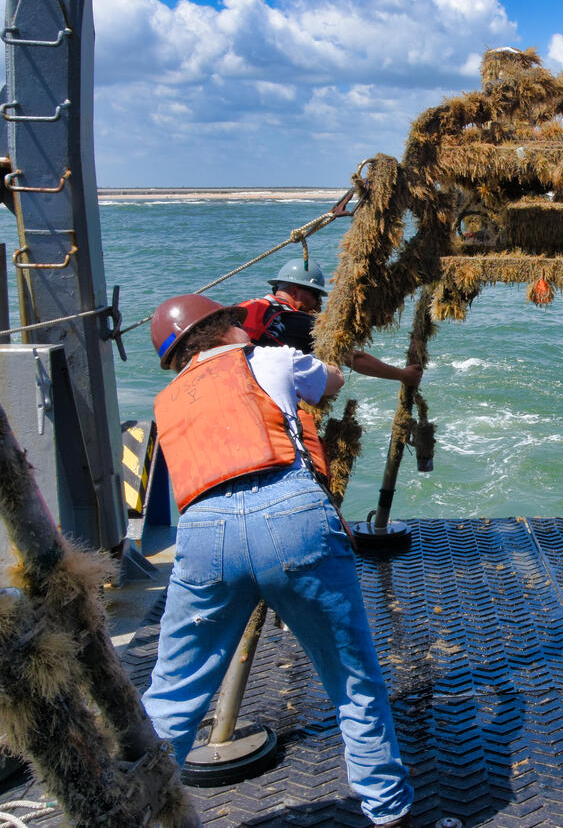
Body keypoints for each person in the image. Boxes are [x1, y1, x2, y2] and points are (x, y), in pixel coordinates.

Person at [143, 294, 414, 827]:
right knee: (351, 677)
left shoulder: (166, 401)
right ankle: (388, 809)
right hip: (291, 517)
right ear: (223, 328)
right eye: (236, 322)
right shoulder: (268, 359)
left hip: (203, 536)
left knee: (172, 695)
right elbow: (330, 382)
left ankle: (133, 810)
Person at [239, 257, 423, 387]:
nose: (319, 303)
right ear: (295, 292)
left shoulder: (244, 308)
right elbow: (353, 358)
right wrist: (402, 375)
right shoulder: (301, 323)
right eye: (316, 295)